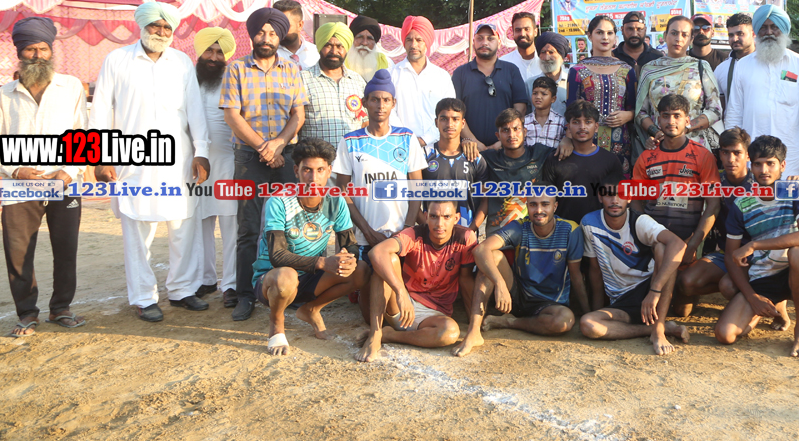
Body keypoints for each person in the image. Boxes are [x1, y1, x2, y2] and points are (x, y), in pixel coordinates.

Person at [91, 2, 211, 322]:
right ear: (142, 26)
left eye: (167, 27)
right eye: (155, 26)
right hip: (134, 161)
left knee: (183, 227)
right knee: (137, 229)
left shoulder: (181, 62)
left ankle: (182, 290)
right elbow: (100, 110)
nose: (161, 32)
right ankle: (144, 298)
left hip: (178, 161)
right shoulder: (117, 60)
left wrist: (201, 151)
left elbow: (195, 110)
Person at [0, 17, 88, 336]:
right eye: (30, 49)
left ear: (51, 50)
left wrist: (68, 172)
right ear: (20, 53)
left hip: (64, 183)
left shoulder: (70, 87)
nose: (38, 55)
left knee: (65, 249)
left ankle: (61, 308)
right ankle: (27, 313)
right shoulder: (5, 94)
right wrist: (15, 170)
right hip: (19, 186)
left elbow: (83, 134)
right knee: (18, 252)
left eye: (43, 48)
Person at [220, 6, 309, 322]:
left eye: (272, 33)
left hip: (285, 156)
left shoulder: (291, 69)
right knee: (249, 228)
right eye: (261, 32)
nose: (266, 38)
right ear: (252, 35)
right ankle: (245, 295)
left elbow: (298, 113)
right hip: (249, 158)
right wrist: (263, 146)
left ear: (279, 36)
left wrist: (279, 144)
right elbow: (232, 115)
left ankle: (289, 289)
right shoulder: (236, 69)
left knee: (289, 225)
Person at [252, 138, 369, 355]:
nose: (313, 178)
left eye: (320, 170)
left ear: (329, 171)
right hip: (273, 281)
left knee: (360, 270)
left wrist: (348, 258)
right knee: (286, 276)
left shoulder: (336, 201)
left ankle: (312, 309)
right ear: (296, 171)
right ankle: (276, 325)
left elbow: (350, 244)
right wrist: (323, 262)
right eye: (307, 170)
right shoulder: (279, 201)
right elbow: (277, 256)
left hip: (309, 278)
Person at [714, 135, 799, 358]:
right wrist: (752, 297)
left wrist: (754, 244)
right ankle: (770, 307)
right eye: (758, 164)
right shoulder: (742, 203)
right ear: (751, 165)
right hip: (762, 275)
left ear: (782, 165)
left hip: (794, 272)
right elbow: (731, 256)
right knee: (725, 335)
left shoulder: (796, 190)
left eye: (770, 163)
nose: (764, 170)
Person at [452, 191, 589, 357]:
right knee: (491, 257)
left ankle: (509, 322)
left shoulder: (570, 230)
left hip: (549, 304)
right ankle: (473, 332)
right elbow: (481, 250)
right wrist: (500, 283)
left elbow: (575, 275)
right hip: (517, 296)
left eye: (545, 204)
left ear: (555, 206)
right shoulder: (520, 227)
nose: (539, 210)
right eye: (533, 205)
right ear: (527, 206)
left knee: (564, 321)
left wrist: (587, 312)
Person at [354, 199, 476, 362]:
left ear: (456, 218)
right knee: (387, 259)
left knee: (450, 332)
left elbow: (466, 279)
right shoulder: (414, 233)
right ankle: (375, 334)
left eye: (446, 217)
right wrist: (401, 292)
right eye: (434, 216)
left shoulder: (465, 237)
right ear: (426, 217)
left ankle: (388, 335)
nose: (439, 224)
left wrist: (474, 322)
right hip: (400, 305)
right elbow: (376, 252)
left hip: (433, 314)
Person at [578, 183, 690, 355]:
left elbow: (679, 245)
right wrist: (596, 309)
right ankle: (659, 328)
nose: (615, 200)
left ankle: (658, 329)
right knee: (588, 324)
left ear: (629, 197)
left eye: (621, 195)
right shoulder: (589, 223)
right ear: (600, 197)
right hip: (622, 301)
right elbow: (595, 270)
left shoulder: (639, 220)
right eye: (608, 195)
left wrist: (655, 290)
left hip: (650, 289)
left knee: (663, 248)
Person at [333, 70, 426, 273]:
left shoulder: (407, 138)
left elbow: (417, 188)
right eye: (375, 99)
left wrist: (407, 229)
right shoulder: (350, 141)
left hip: (401, 236)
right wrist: (367, 231)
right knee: (365, 287)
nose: (380, 105)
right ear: (364, 102)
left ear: (393, 103)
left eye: (386, 100)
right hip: (364, 237)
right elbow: (342, 191)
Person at [631, 94, 721, 268]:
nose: (671, 121)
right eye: (666, 116)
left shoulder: (703, 156)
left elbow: (713, 205)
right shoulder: (646, 157)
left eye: (677, 116)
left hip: (689, 240)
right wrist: (646, 233)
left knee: (685, 283)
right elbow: (635, 200)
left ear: (687, 120)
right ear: (658, 120)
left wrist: (693, 243)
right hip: (655, 240)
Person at [726, 4, 799, 178]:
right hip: (753, 156)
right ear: (756, 31)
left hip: (791, 155)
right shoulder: (743, 65)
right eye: (763, 27)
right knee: (754, 195)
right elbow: (734, 112)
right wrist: (733, 152)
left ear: (784, 30)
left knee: (788, 195)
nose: (769, 32)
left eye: (774, 27)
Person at [674, 127, 755, 316]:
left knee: (728, 286)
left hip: (757, 255)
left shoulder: (760, 182)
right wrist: (691, 246)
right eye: (725, 152)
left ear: (748, 155)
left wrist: (798, 180)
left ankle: (756, 300)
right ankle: (735, 285)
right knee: (686, 282)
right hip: (725, 253)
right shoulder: (714, 179)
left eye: (737, 153)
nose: (731, 159)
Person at [192, 27, 240, 306]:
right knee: (199, 222)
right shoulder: (188, 79)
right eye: (209, 50)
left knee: (230, 224)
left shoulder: (234, 79)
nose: (213, 57)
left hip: (228, 161)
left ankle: (231, 284)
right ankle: (206, 278)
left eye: (220, 52)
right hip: (195, 162)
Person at [634, 15, 723, 156]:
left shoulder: (701, 67)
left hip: (695, 148)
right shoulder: (650, 69)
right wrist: (657, 132)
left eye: (684, 35)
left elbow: (715, 110)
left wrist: (685, 128)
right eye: (674, 33)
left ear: (691, 39)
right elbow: (640, 112)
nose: (678, 39)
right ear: (665, 36)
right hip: (660, 146)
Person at [567, 15, 638, 175]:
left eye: (609, 33)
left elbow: (636, 107)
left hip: (620, 141)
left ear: (615, 37)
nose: (605, 37)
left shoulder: (627, 70)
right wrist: (567, 138)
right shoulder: (577, 71)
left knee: (617, 186)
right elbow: (570, 110)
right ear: (590, 35)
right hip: (586, 140)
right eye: (599, 32)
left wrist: (629, 115)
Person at [452, 22, 531, 151]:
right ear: (473, 42)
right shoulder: (460, 73)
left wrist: (503, 141)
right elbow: (455, 112)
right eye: (480, 38)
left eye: (490, 38)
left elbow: (520, 109)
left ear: (499, 43)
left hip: (506, 149)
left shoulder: (511, 70)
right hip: (470, 150)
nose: (484, 43)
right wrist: (473, 141)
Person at [543, 100, 623, 224]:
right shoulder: (555, 158)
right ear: (568, 127)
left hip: (599, 228)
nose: (582, 127)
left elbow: (619, 197)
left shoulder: (610, 160)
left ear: (596, 127)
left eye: (588, 122)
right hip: (563, 229)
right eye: (576, 122)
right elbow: (546, 198)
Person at [480, 109, 554, 235]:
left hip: (530, 235)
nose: (511, 135)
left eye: (516, 129)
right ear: (498, 135)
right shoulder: (488, 158)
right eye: (505, 130)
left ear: (524, 132)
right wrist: (466, 142)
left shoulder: (539, 153)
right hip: (497, 234)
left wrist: (567, 141)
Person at [298, 22, 368, 149]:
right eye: (328, 45)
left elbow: (365, 122)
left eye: (340, 46)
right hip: (317, 158)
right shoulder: (303, 79)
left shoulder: (357, 80)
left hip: (352, 157)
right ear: (320, 47)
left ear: (346, 48)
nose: (334, 51)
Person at [389, 15, 454, 147]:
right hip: (402, 146)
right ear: (404, 43)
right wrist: (407, 139)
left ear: (427, 43)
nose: (413, 45)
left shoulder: (442, 76)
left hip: (438, 147)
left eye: (419, 40)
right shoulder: (392, 74)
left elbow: (449, 112)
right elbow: (389, 112)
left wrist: (425, 139)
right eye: (409, 40)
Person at [423, 98, 488, 230]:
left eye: (455, 119)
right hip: (432, 233)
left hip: (465, 233)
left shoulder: (475, 158)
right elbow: (412, 198)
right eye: (444, 119)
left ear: (463, 123)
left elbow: (485, 202)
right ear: (436, 122)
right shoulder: (423, 155)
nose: (449, 124)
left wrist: (470, 231)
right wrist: (426, 227)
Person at [524, 31, 572, 116]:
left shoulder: (571, 82)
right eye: (543, 52)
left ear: (562, 56)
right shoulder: (530, 84)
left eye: (551, 52)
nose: (546, 57)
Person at [714, 13, 754, 107]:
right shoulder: (721, 69)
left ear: (753, 34)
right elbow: (720, 108)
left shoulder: (765, 64)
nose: (735, 39)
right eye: (731, 35)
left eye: (740, 34)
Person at [272, 0, 320, 69]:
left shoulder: (316, 53)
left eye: (286, 26)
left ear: (300, 25)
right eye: (277, 25)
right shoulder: (269, 53)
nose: (281, 30)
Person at [524, 76, 565, 148]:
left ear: (553, 99)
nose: (538, 97)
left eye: (544, 94)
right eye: (535, 93)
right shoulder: (525, 122)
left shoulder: (561, 122)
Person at [500, 11, 542, 79]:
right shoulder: (503, 63)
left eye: (527, 29)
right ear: (513, 33)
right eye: (518, 30)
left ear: (535, 32)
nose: (522, 34)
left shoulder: (546, 61)